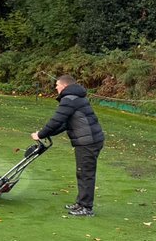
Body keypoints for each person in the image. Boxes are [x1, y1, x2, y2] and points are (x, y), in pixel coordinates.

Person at [32, 74, 105, 217]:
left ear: (64, 86)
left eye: (57, 86)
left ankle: (86, 208)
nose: (56, 88)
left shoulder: (69, 99)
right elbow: (65, 124)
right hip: (88, 141)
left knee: (85, 174)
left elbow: (56, 120)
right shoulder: (75, 98)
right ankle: (81, 203)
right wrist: (47, 134)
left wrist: (40, 134)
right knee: (82, 172)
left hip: (88, 142)